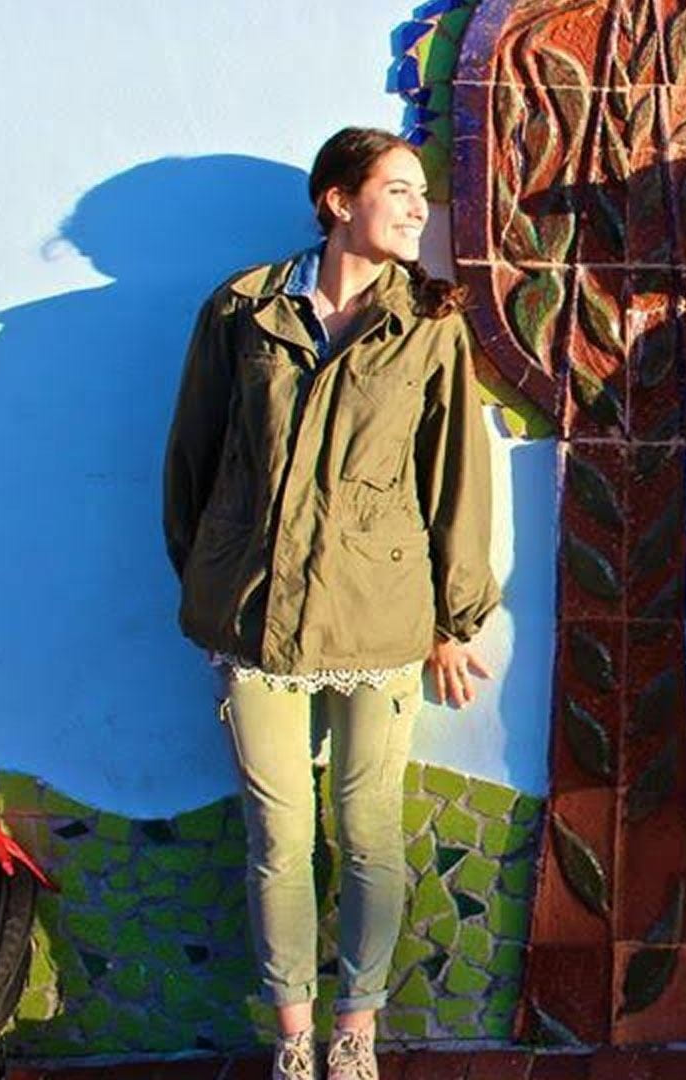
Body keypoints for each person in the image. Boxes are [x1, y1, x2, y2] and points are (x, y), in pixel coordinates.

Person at [162, 127, 499, 1080]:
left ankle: (357, 1029)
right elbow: (193, 455)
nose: (415, 209)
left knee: (365, 830)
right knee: (276, 835)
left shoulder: (430, 326)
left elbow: (455, 481)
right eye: (396, 189)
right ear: (336, 200)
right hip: (254, 614)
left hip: (379, 615)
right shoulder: (242, 307)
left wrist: (452, 617)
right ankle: (296, 1041)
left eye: (420, 195)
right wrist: (213, 579)